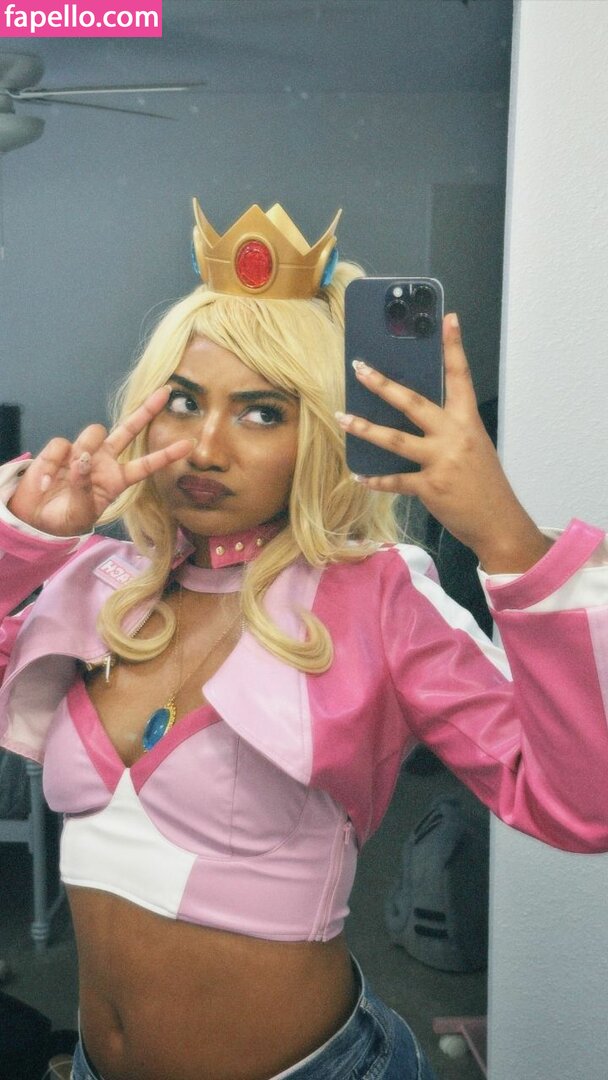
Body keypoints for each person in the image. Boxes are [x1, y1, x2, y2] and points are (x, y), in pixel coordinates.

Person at [1, 199, 607, 1080]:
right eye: (184, 402)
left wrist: (505, 535)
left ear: (321, 432)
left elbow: (581, 808)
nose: (205, 447)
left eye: (261, 413)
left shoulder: (377, 597)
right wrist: (22, 545)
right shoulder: (98, 583)